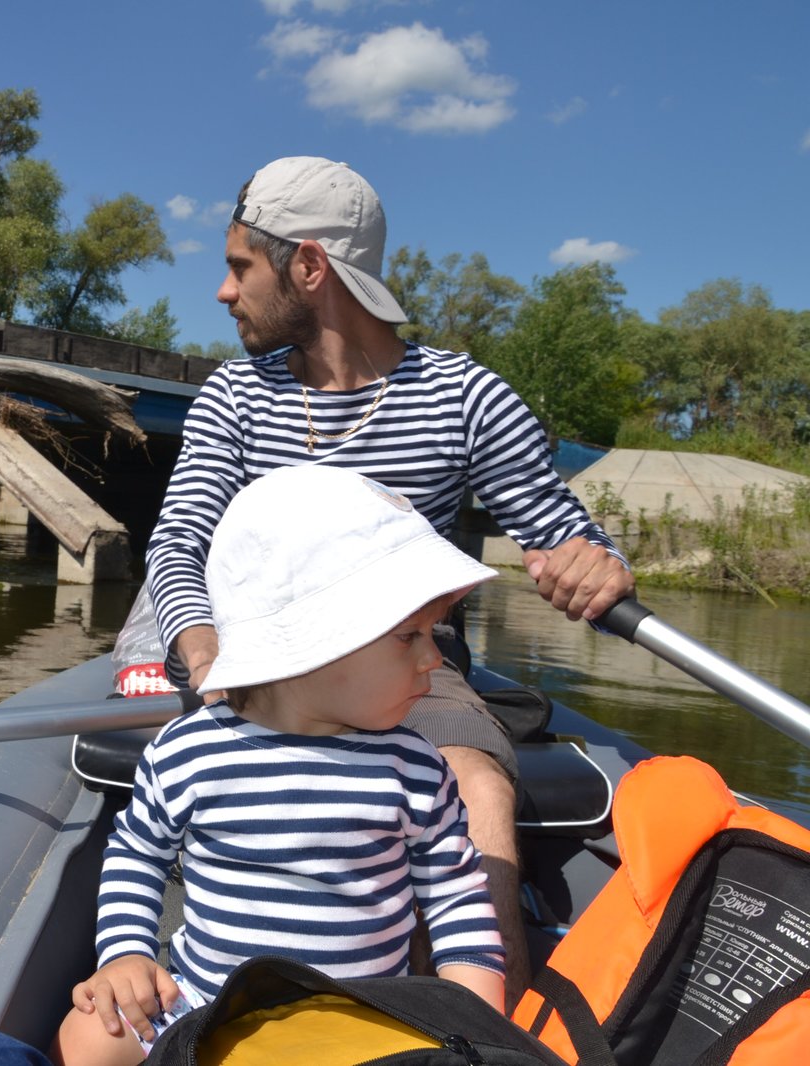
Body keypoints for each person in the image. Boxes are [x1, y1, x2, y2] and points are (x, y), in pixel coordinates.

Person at [144, 155, 635, 1007]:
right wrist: (207, 652)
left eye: (238, 268)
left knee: (472, 785)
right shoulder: (235, 396)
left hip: (413, 665)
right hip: (256, 660)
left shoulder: (466, 397)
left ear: (308, 265)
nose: (225, 294)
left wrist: (598, 564)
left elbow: (565, 536)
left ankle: (487, 1041)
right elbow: (179, 541)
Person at [55, 466, 506, 1066]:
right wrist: (126, 952)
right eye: (409, 637)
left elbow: (455, 894)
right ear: (312, 643)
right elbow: (138, 855)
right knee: (89, 1037)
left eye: (433, 634)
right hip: (204, 1006)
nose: (434, 658)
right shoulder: (189, 751)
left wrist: (474, 1008)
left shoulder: (413, 767)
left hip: (364, 1021)